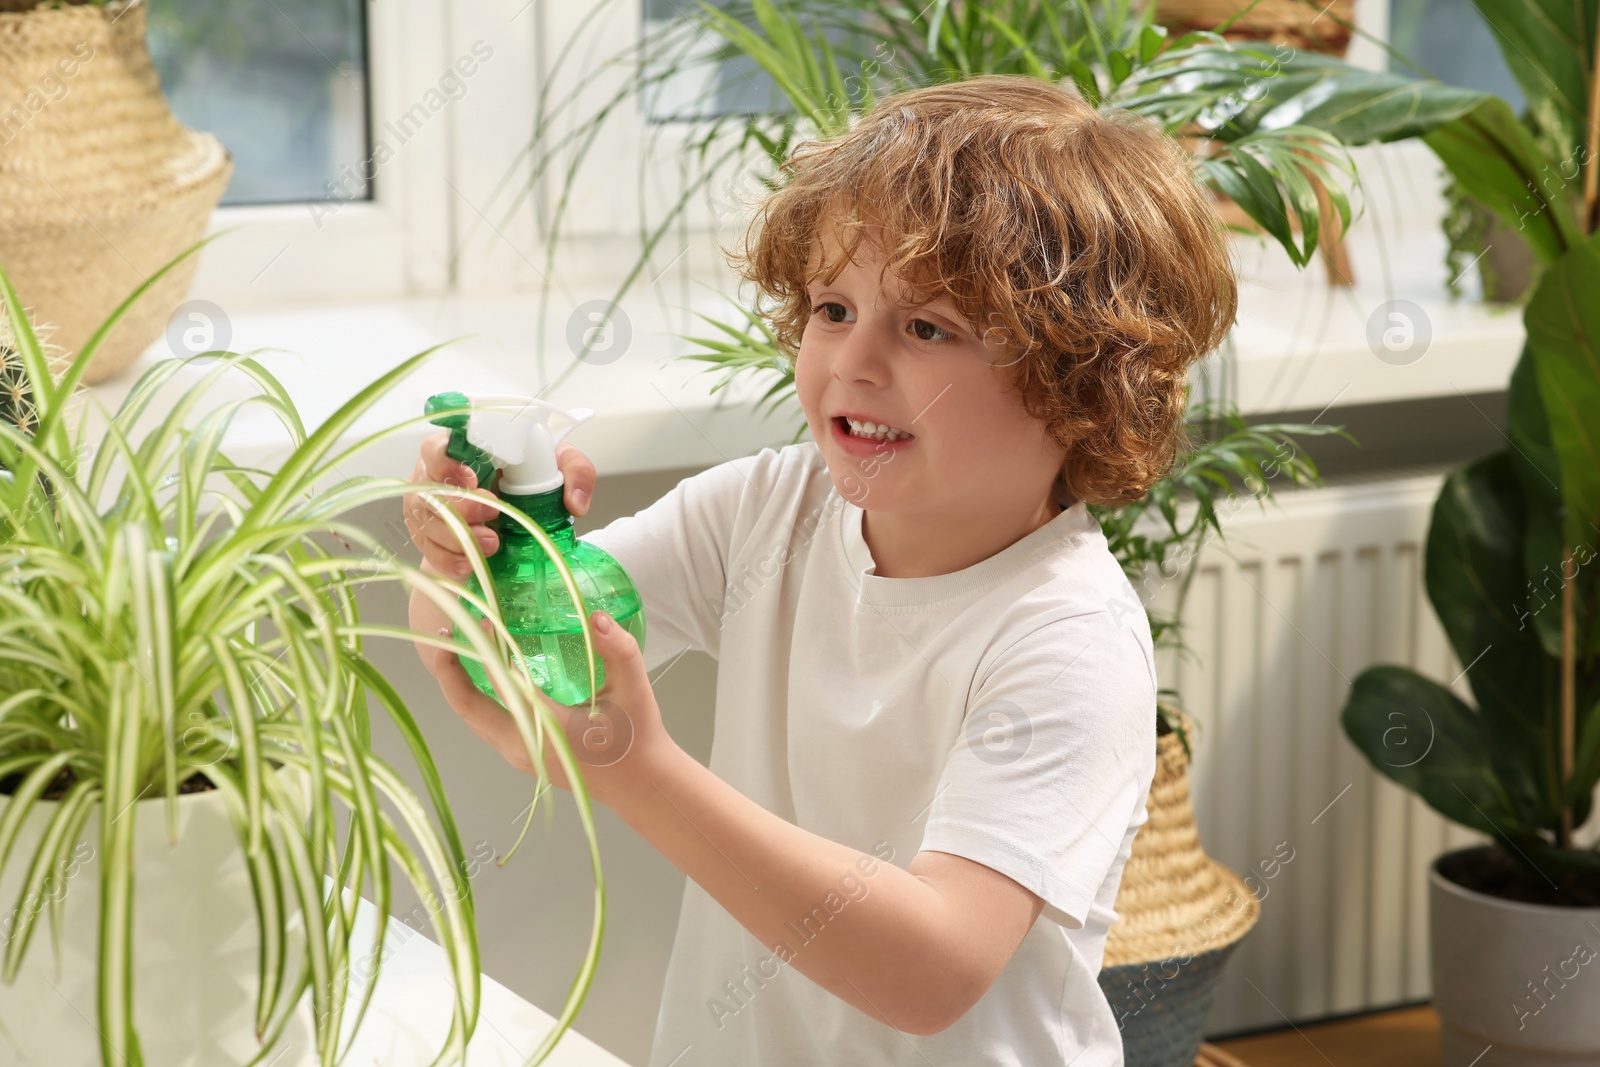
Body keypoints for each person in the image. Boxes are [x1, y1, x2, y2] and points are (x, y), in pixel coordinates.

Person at [404, 73, 1237, 1066]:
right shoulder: (768, 507)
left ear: (1079, 388)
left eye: (926, 327)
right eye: (833, 306)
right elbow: (514, 654)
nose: (852, 359)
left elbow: (934, 966)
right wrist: (476, 551)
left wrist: (639, 770)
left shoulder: (1066, 639)